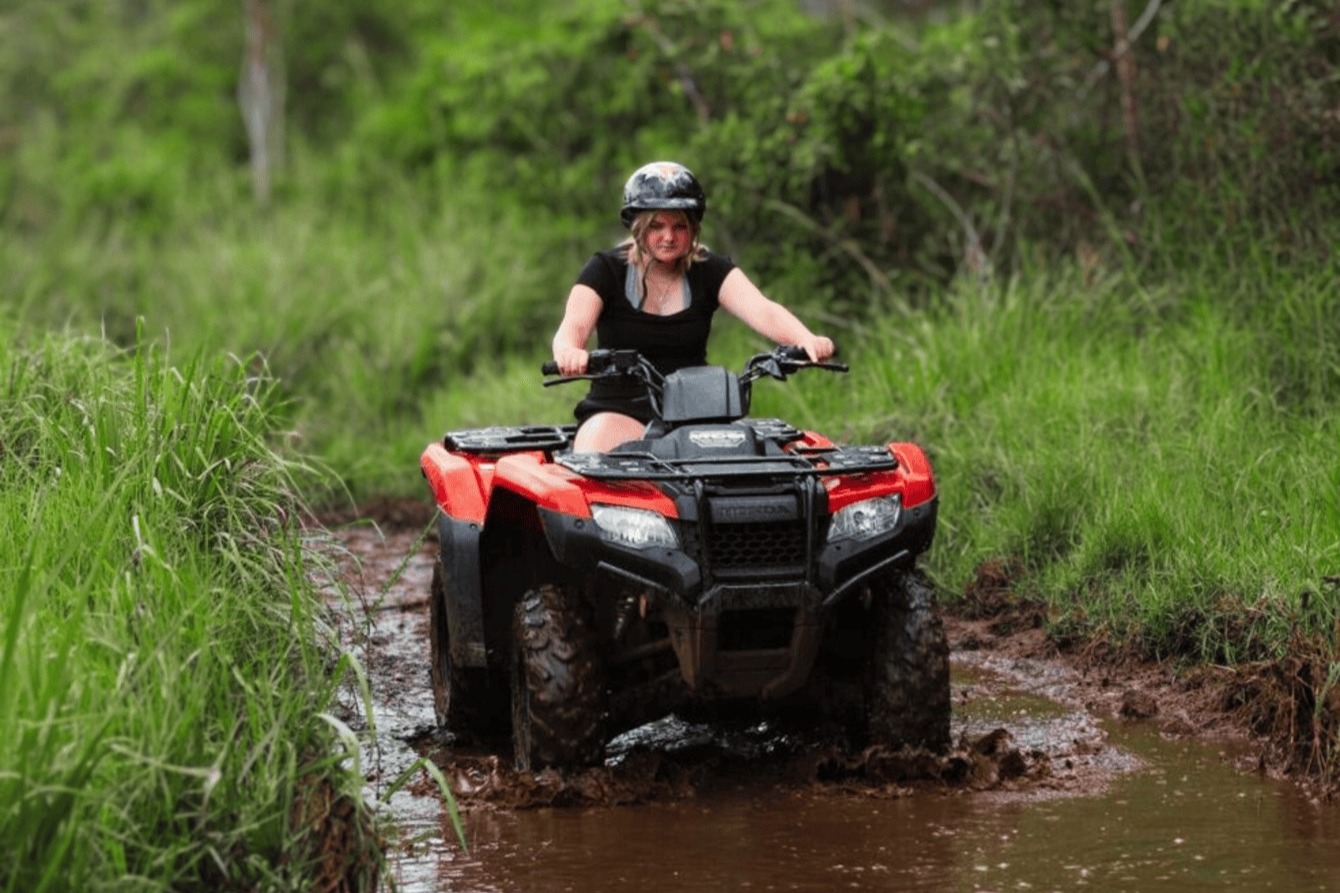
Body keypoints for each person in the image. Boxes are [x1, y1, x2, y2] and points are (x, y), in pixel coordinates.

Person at [551, 161, 835, 452]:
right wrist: (569, 352)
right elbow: (574, 325)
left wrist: (805, 339)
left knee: (769, 461)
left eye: (679, 226)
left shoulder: (709, 268)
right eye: (657, 226)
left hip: (696, 411)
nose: (669, 237)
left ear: (693, 228)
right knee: (595, 454)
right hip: (619, 410)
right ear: (638, 227)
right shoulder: (605, 269)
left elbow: (762, 309)